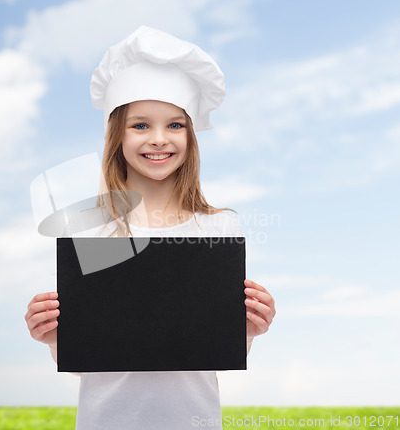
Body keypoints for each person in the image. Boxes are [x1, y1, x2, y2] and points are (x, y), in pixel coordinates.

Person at [24, 25, 276, 429]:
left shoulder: (219, 227)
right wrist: (54, 338)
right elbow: (90, 357)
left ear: (191, 136)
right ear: (116, 137)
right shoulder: (90, 231)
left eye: (175, 125)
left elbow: (213, 349)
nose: (159, 139)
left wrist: (247, 330)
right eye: (140, 125)